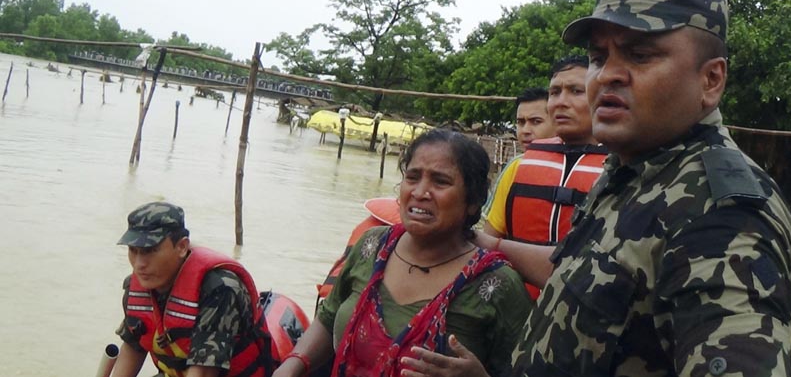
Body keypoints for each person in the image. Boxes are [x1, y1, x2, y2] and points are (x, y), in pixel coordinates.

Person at [406, 0, 791, 377]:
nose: (607, 74)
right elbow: (581, 273)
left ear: (711, 80)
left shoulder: (725, 218)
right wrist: (485, 244)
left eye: (640, 55)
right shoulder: (631, 170)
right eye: (598, 57)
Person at [274, 129, 532, 377]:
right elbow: (329, 317)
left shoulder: (497, 285)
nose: (420, 193)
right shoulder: (372, 246)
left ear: (473, 200)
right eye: (412, 177)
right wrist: (294, 364)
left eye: (441, 181)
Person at [482, 55, 607, 298]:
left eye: (575, 91)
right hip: (519, 310)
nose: (561, 102)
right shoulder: (518, 167)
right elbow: (486, 245)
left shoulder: (625, 169)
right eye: (555, 92)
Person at [112, 201, 275, 377]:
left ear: (182, 247)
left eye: (150, 250)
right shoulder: (136, 286)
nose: (139, 264)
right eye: (133, 251)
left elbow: (203, 371)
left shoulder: (220, 290)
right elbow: (133, 346)